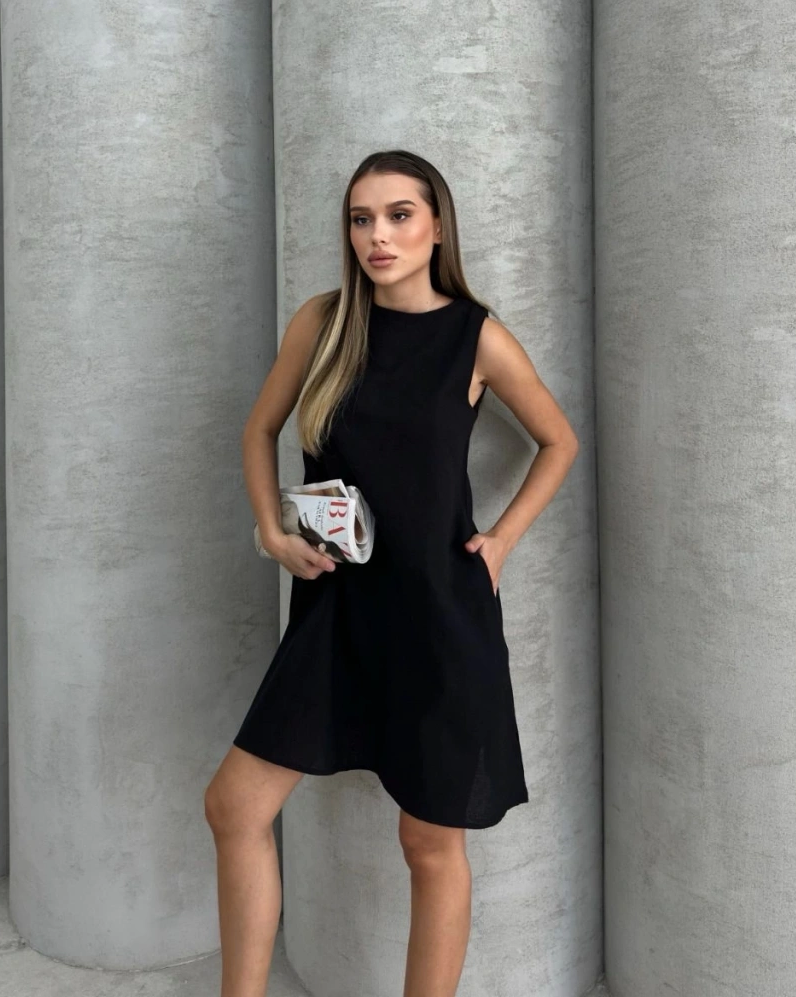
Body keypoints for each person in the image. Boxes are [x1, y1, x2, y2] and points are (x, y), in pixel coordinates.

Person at [203, 149, 579, 997]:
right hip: (334, 613)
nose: (378, 235)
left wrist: (503, 539)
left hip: (440, 618)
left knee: (430, 841)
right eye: (361, 218)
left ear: (437, 225)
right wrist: (271, 530)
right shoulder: (324, 322)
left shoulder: (476, 336)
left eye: (399, 215)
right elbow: (259, 429)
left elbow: (560, 440)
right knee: (234, 805)